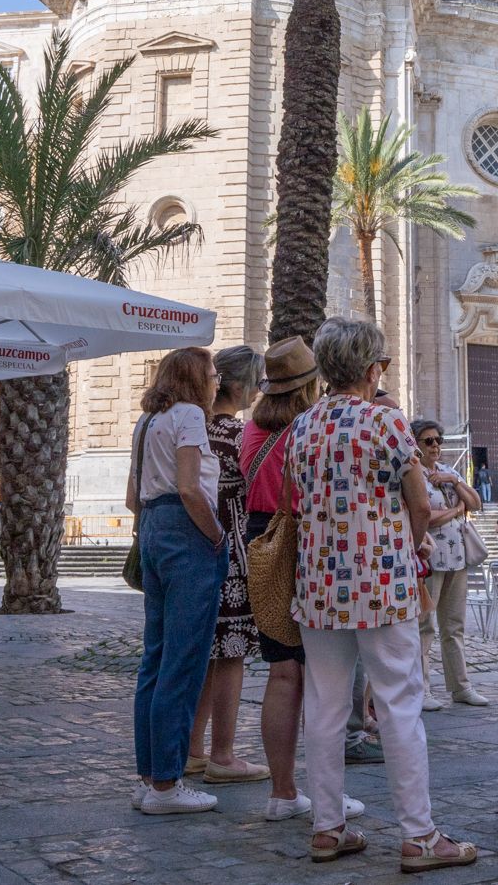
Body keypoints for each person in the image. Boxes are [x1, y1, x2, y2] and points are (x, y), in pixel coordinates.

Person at [287, 318, 476, 869]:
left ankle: (327, 827)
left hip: (319, 582)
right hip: (381, 581)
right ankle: (419, 835)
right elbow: (419, 503)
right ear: (372, 369)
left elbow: (298, 497)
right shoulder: (385, 422)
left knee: (324, 705)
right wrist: (411, 547)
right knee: (399, 703)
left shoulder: (303, 426)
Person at [240, 338, 363, 821]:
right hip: (308, 540)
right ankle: (326, 795)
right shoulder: (310, 428)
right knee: (321, 674)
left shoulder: (253, 429)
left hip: (263, 540)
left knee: (282, 671)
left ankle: (283, 792)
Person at [128, 347, 229, 816]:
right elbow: (190, 486)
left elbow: (132, 497)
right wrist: (216, 536)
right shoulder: (189, 416)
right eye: (211, 373)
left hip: (152, 525)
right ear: (193, 378)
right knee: (184, 659)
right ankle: (168, 784)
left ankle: (150, 776)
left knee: (156, 656)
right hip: (185, 530)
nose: (216, 381)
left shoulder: (146, 421)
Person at [186, 345, 268, 785]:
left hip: (194, 550)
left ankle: (192, 749)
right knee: (231, 654)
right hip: (231, 552)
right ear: (238, 386)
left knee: (205, 654)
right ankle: (223, 754)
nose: (258, 392)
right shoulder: (238, 435)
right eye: (256, 383)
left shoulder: (192, 428)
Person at [412, 418, 489, 709]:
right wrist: (457, 509)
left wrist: (454, 482)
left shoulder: (449, 472)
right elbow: (425, 518)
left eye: (438, 441)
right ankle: (422, 690)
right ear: (416, 444)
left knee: (454, 625)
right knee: (424, 626)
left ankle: (461, 687)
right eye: (428, 441)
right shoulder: (413, 474)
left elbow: (476, 503)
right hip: (429, 560)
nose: (435, 446)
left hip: (457, 558)